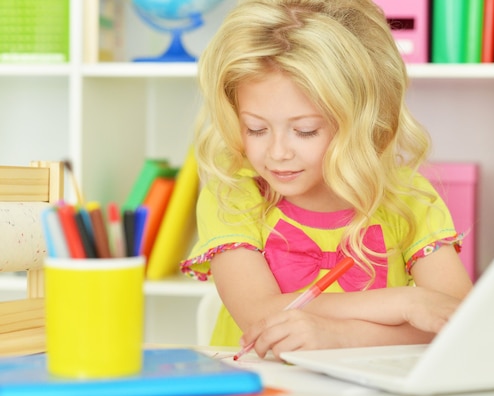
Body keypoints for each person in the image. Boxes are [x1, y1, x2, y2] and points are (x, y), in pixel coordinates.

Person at [180, 0, 473, 359]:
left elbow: (459, 320)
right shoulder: (235, 193)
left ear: (361, 120)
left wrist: (342, 336)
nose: (277, 152)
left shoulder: (406, 196)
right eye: (255, 128)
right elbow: (261, 315)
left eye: (304, 131)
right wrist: (407, 302)